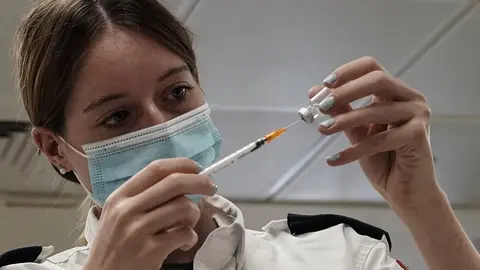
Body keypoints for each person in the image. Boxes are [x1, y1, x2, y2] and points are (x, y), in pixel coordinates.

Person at [1, 0, 478, 269]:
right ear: (53, 149)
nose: (164, 127)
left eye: (176, 93)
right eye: (117, 117)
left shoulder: (340, 256)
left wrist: (423, 206)